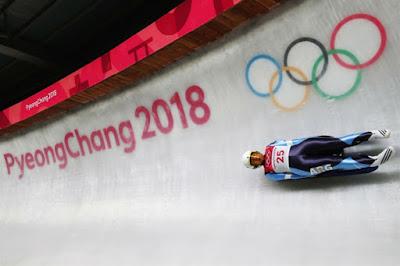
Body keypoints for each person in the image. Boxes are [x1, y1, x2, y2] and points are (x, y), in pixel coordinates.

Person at [242, 130, 395, 181]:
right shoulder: (269, 173)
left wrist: (309, 139)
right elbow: (290, 176)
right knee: (336, 162)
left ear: (256, 152)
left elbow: (290, 142)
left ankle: (372, 134)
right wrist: (311, 174)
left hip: (302, 147)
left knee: (338, 142)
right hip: (302, 165)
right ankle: (372, 161)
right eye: (254, 160)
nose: (256, 158)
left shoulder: (270, 146)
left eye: (254, 155)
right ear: (255, 166)